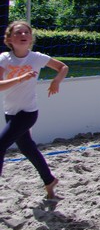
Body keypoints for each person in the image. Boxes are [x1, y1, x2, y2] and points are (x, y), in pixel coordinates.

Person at [0, 21, 68, 199]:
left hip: (28, 113)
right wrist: (20, 79)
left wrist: (56, 81)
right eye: (18, 33)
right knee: (27, 149)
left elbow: (63, 67)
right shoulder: (4, 59)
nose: (23, 35)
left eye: (26, 32)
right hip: (10, 112)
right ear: (9, 39)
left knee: (1, 145)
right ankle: (49, 180)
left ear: (31, 38)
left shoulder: (37, 57)